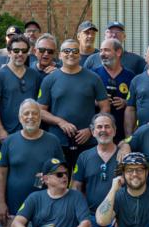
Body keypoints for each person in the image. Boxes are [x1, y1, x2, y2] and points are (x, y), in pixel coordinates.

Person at [0, 99, 64, 227]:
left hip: (45, 206)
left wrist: (51, 177)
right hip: (14, 206)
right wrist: (0, 202)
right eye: (26, 113)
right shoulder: (9, 141)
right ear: (20, 117)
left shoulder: (53, 141)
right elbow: (1, 173)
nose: (30, 117)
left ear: (40, 116)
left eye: (34, 113)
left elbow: (62, 172)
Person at [5, 158, 93, 227]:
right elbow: (16, 223)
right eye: (59, 174)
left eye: (66, 173)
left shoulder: (76, 196)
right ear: (46, 179)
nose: (65, 177)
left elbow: (86, 224)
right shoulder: (35, 197)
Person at [37, 38, 110, 169]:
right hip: (58, 141)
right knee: (59, 178)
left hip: (88, 141)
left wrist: (91, 129)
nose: (71, 54)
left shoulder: (93, 78)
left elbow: (105, 107)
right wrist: (60, 122)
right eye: (66, 51)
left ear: (80, 55)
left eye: (75, 51)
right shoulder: (49, 79)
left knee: (85, 178)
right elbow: (40, 111)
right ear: (60, 55)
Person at [71, 113, 121, 227]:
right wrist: (82, 215)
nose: (103, 130)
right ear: (93, 132)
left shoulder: (124, 156)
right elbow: (76, 187)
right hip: (91, 216)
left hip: (116, 216)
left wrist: (123, 214)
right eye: (99, 127)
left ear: (114, 131)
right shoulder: (84, 156)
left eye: (107, 126)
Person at [0, 34, 42, 140]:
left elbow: (40, 104)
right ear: (9, 52)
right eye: (16, 50)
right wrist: (0, 129)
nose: (20, 54)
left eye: (24, 51)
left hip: (31, 131)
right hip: (7, 133)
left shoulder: (34, 75)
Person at [91, 38, 134, 141]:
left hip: (122, 131)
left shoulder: (131, 76)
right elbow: (83, 100)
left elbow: (136, 103)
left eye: (106, 50)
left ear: (118, 52)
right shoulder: (92, 74)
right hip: (98, 133)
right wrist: (97, 102)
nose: (102, 54)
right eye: (101, 50)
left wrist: (125, 102)